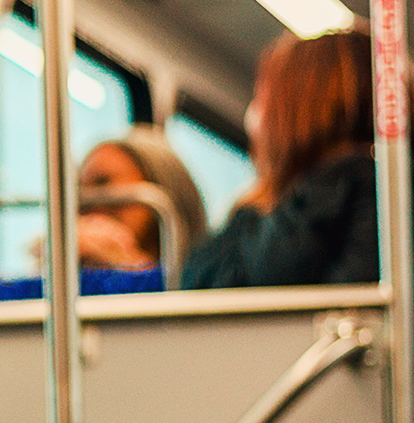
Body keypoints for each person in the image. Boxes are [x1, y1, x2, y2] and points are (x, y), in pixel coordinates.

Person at [182, 29, 377, 289]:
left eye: (263, 100)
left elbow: (205, 286)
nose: (253, 117)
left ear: (295, 113)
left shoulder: (346, 190)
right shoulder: (292, 205)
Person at [75, 126, 209, 271]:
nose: (85, 201)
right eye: (79, 189)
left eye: (103, 182)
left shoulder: (203, 275)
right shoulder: (72, 273)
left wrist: (125, 265)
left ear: (159, 184)